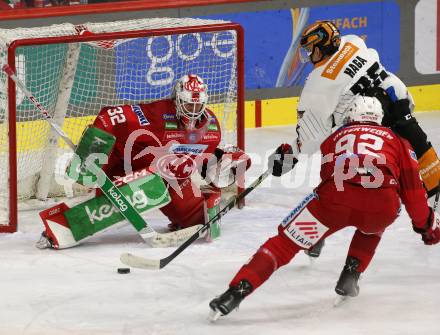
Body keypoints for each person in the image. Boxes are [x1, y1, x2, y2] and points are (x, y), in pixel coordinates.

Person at [208, 96, 440, 320]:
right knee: (379, 214)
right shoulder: (399, 141)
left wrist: (321, 223)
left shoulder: (336, 136)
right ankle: (351, 274)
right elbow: (413, 193)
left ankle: (236, 292)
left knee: (283, 244)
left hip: (334, 202)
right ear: (380, 118)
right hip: (380, 207)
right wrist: (427, 227)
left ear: (350, 117)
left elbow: (325, 177)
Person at [36, 74, 250, 249]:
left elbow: (203, 162)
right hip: (122, 164)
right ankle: (67, 224)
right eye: (187, 105)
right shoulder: (157, 115)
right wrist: (88, 158)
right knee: (121, 197)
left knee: (197, 221)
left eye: (197, 106)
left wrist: (223, 159)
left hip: (164, 176)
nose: (192, 112)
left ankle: (186, 208)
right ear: (177, 100)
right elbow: (109, 115)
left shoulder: (211, 129)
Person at [287, 20, 440, 258]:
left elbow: (309, 137)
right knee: (418, 156)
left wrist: (289, 155)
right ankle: (431, 207)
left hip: (366, 128)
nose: (309, 56)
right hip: (399, 103)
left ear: (324, 47)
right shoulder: (353, 42)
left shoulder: (318, 84)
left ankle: (317, 235)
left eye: (312, 49)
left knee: (343, 185)